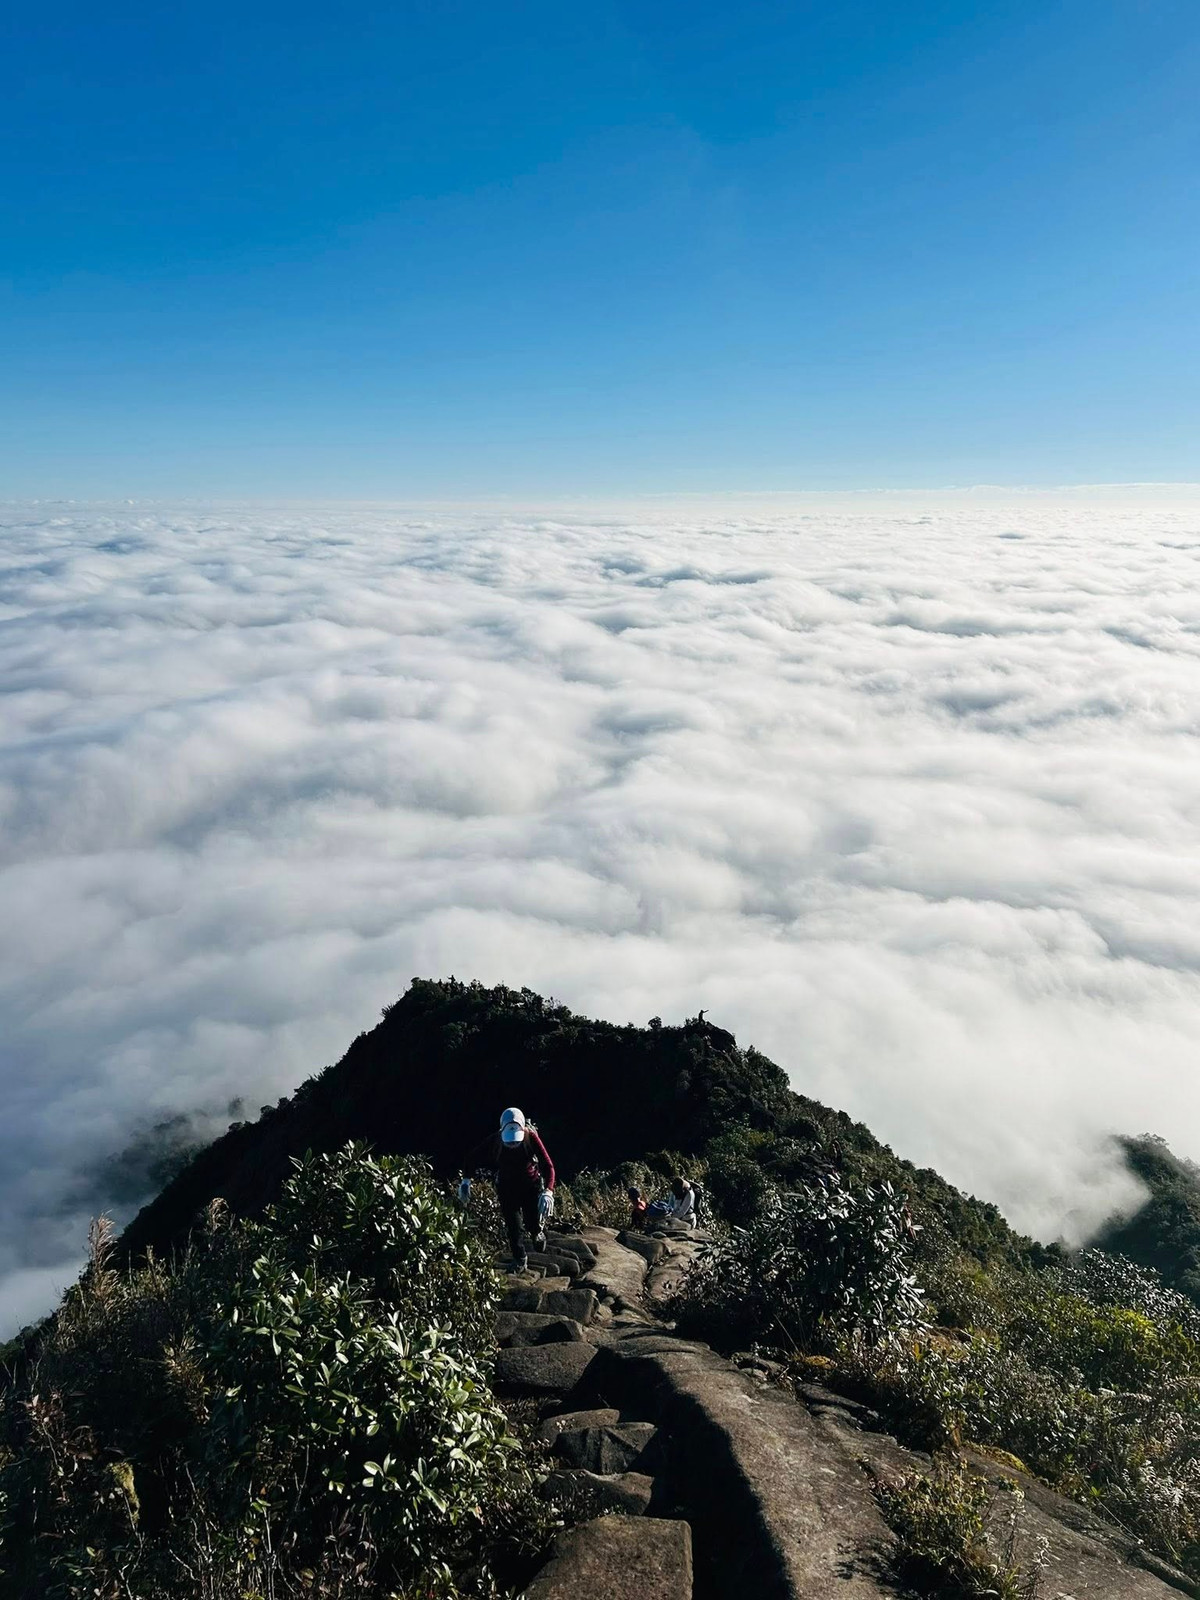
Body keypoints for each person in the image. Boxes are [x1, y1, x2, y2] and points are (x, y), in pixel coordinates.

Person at [490, 1107, 556, 1272]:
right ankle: (519, 1259)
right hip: (507, 1188)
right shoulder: (496, 1140)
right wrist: (466, 1181)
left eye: (515, 1140)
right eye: (509, 1141)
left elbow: (548, 1165)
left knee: (531, 1220)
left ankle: (536, 1232)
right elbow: (473, 1157)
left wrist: (548, 1190)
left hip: (529, 1186)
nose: (513, 1144)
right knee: (514, 1226)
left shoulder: (530, 1138)